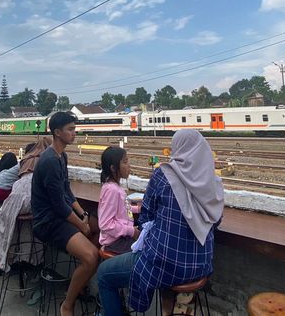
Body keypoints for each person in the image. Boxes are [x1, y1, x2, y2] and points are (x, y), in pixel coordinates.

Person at [96, 130, 224, 316]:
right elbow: (216, 221)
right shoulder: (213, 183)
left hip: (165, 263)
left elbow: (147, 216)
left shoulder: (163, 175)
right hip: (201, 266)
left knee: (103, 275)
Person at [32, 112, 98, 316]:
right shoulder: (50, 160)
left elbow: (66, 190)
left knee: (97, 230)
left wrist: (82, 213)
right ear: (57, 132)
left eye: (74, 129)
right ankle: (67, 304)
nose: (74, 133)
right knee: (91, 257)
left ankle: (80, 285)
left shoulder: (61, 155)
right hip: (48, 222)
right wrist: (82, 225)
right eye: (70, 129)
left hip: (60, 217)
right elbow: (59, 206)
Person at [0, 138, 50, 272]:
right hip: (27, 204)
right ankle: (30, 261)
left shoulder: (27, 160)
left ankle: (6, 256)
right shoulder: (46, 161)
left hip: (11, 203)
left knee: (12, 223)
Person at [98, 146, 139, 255]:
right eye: (125, 162)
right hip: (116, 242)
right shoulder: (112, 190)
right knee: (144, 253)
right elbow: (105, 224)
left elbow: (122, 208)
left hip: (120, 238)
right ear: (113, 168)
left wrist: (137, 209)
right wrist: (131, 231)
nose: (129, 165)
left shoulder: (116, 188)